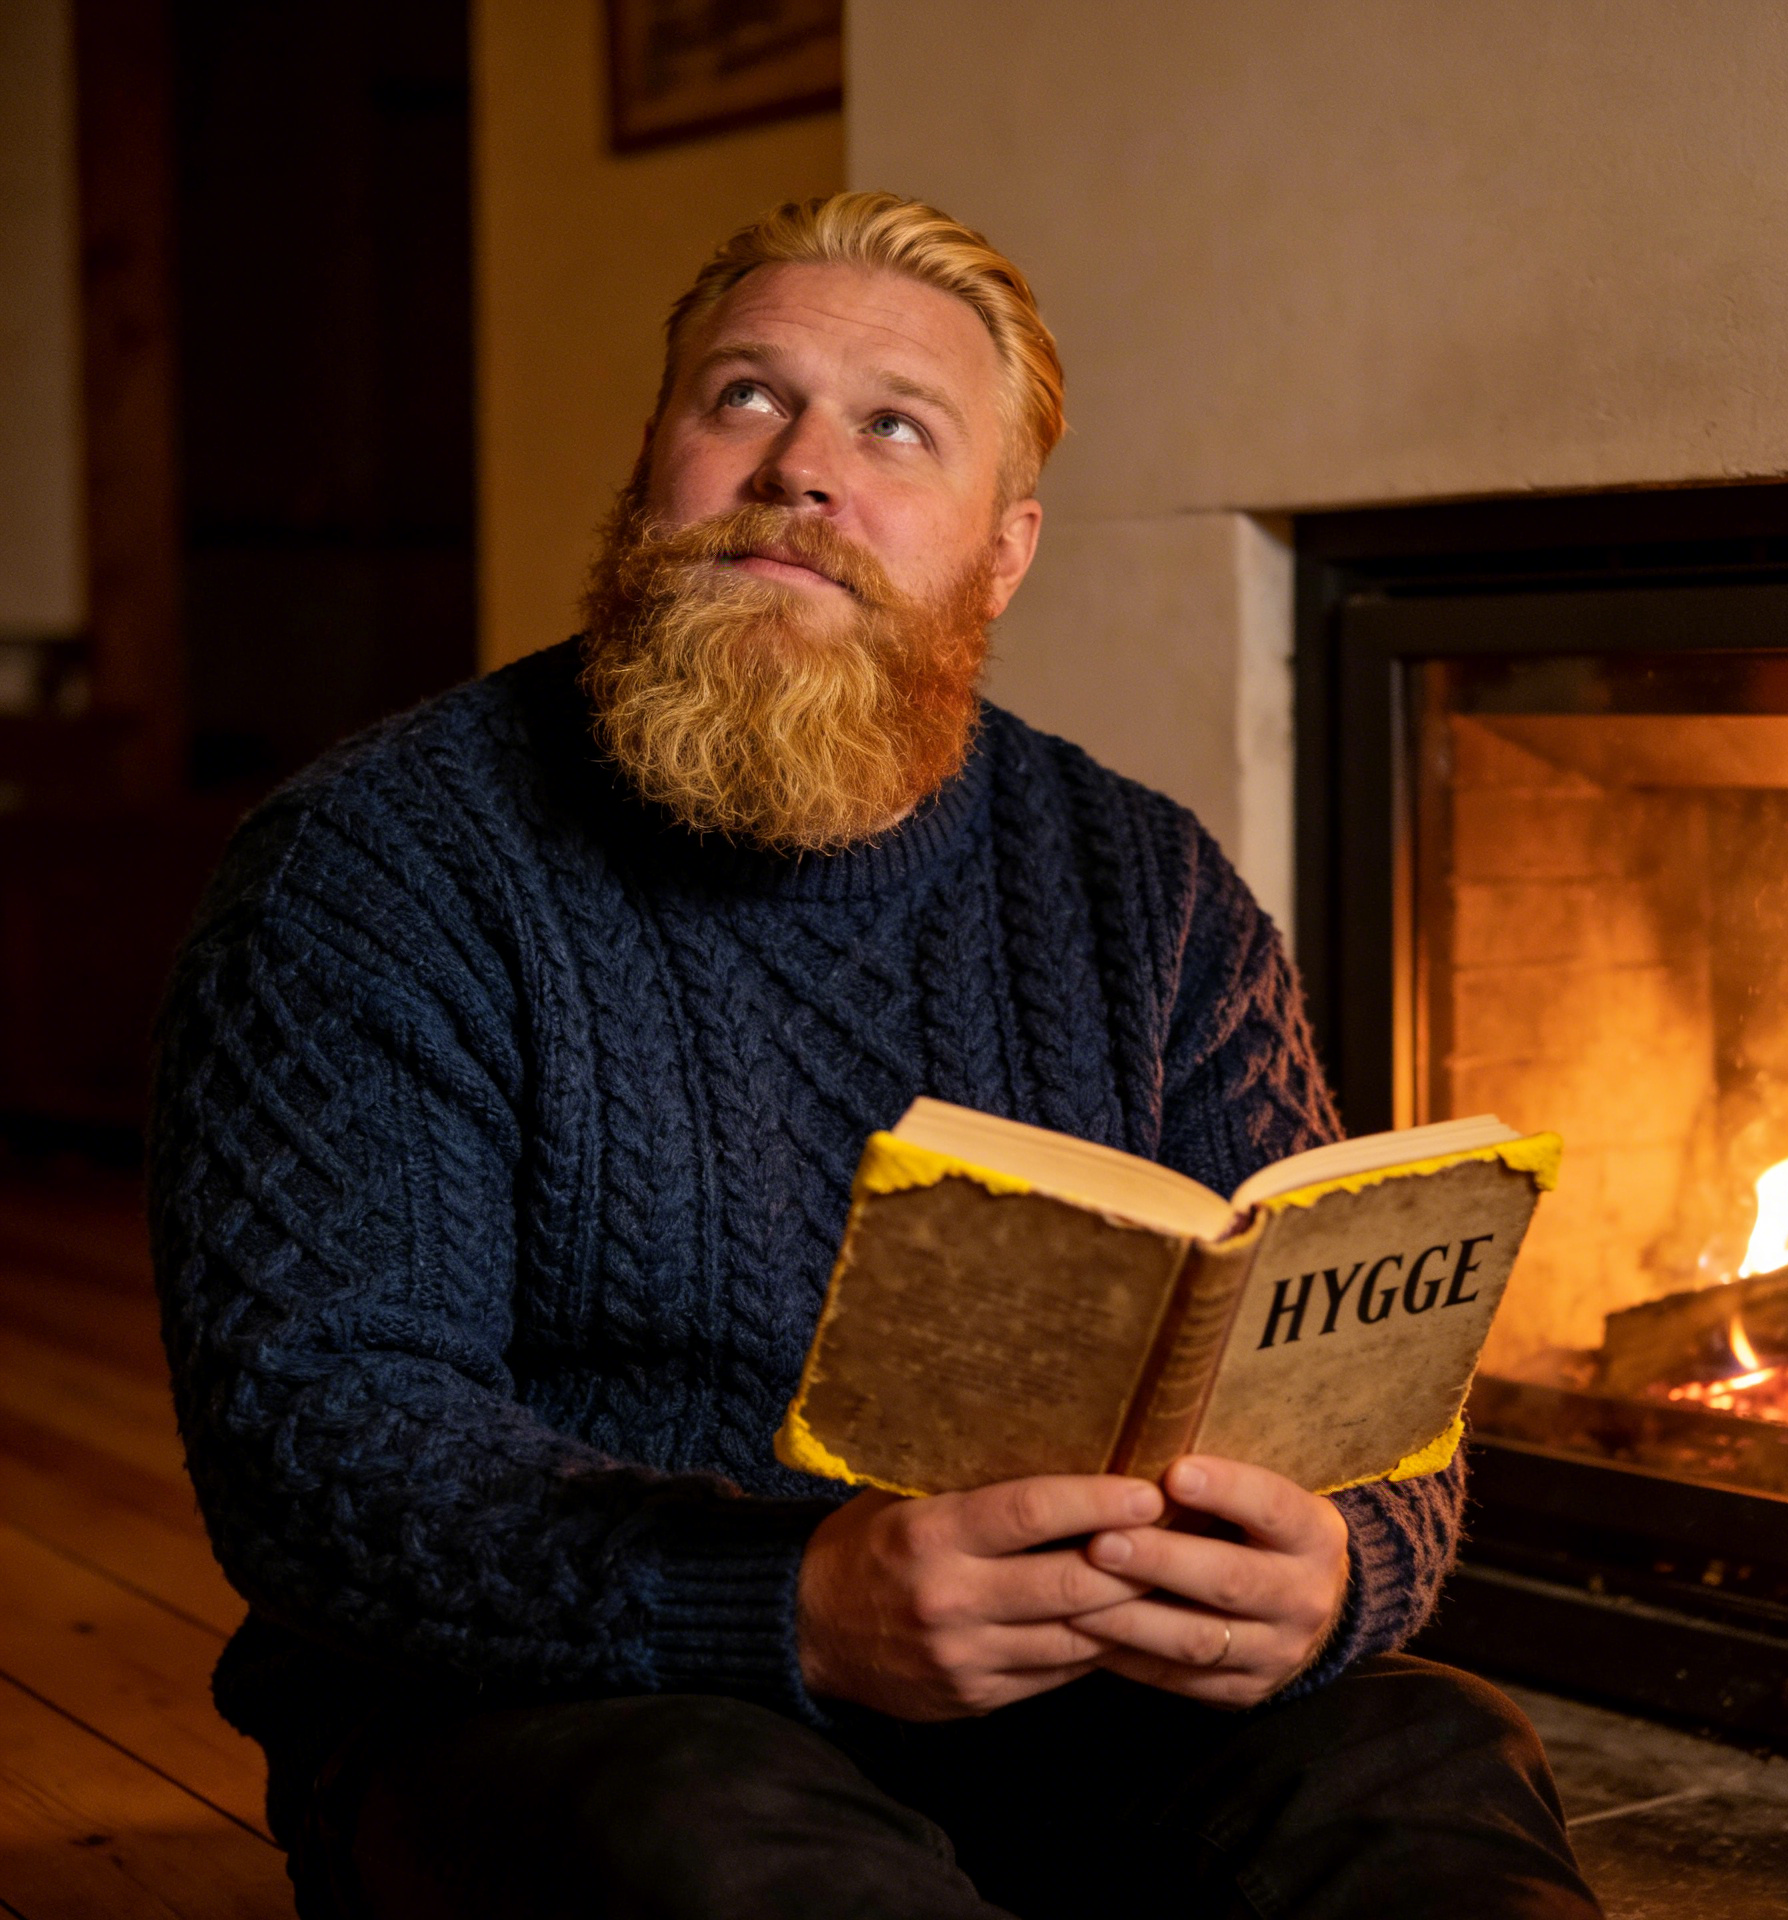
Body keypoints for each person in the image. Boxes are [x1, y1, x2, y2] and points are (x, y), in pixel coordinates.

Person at [150, 191, 1600, 1920]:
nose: (799, 468)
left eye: (895, 427)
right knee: (712, 1845)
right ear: (655, 460)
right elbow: (320, 1433)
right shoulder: (377, 863)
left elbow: (1360, 1377)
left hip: (1067, 1689)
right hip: (565, 1704)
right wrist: (798, 1599)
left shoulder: (1145, 886)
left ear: (1003, 549)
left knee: (1423, 1757)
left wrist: (1342, 1572)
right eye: (744, 397)